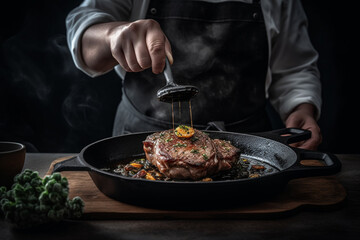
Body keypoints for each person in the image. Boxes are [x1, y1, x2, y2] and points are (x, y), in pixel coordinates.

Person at [66, 0, 322, 150]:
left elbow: (294, 66)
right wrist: (113, 35)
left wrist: (301, 108)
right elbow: (84, 32)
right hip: (139, 141)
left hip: (248, 145)